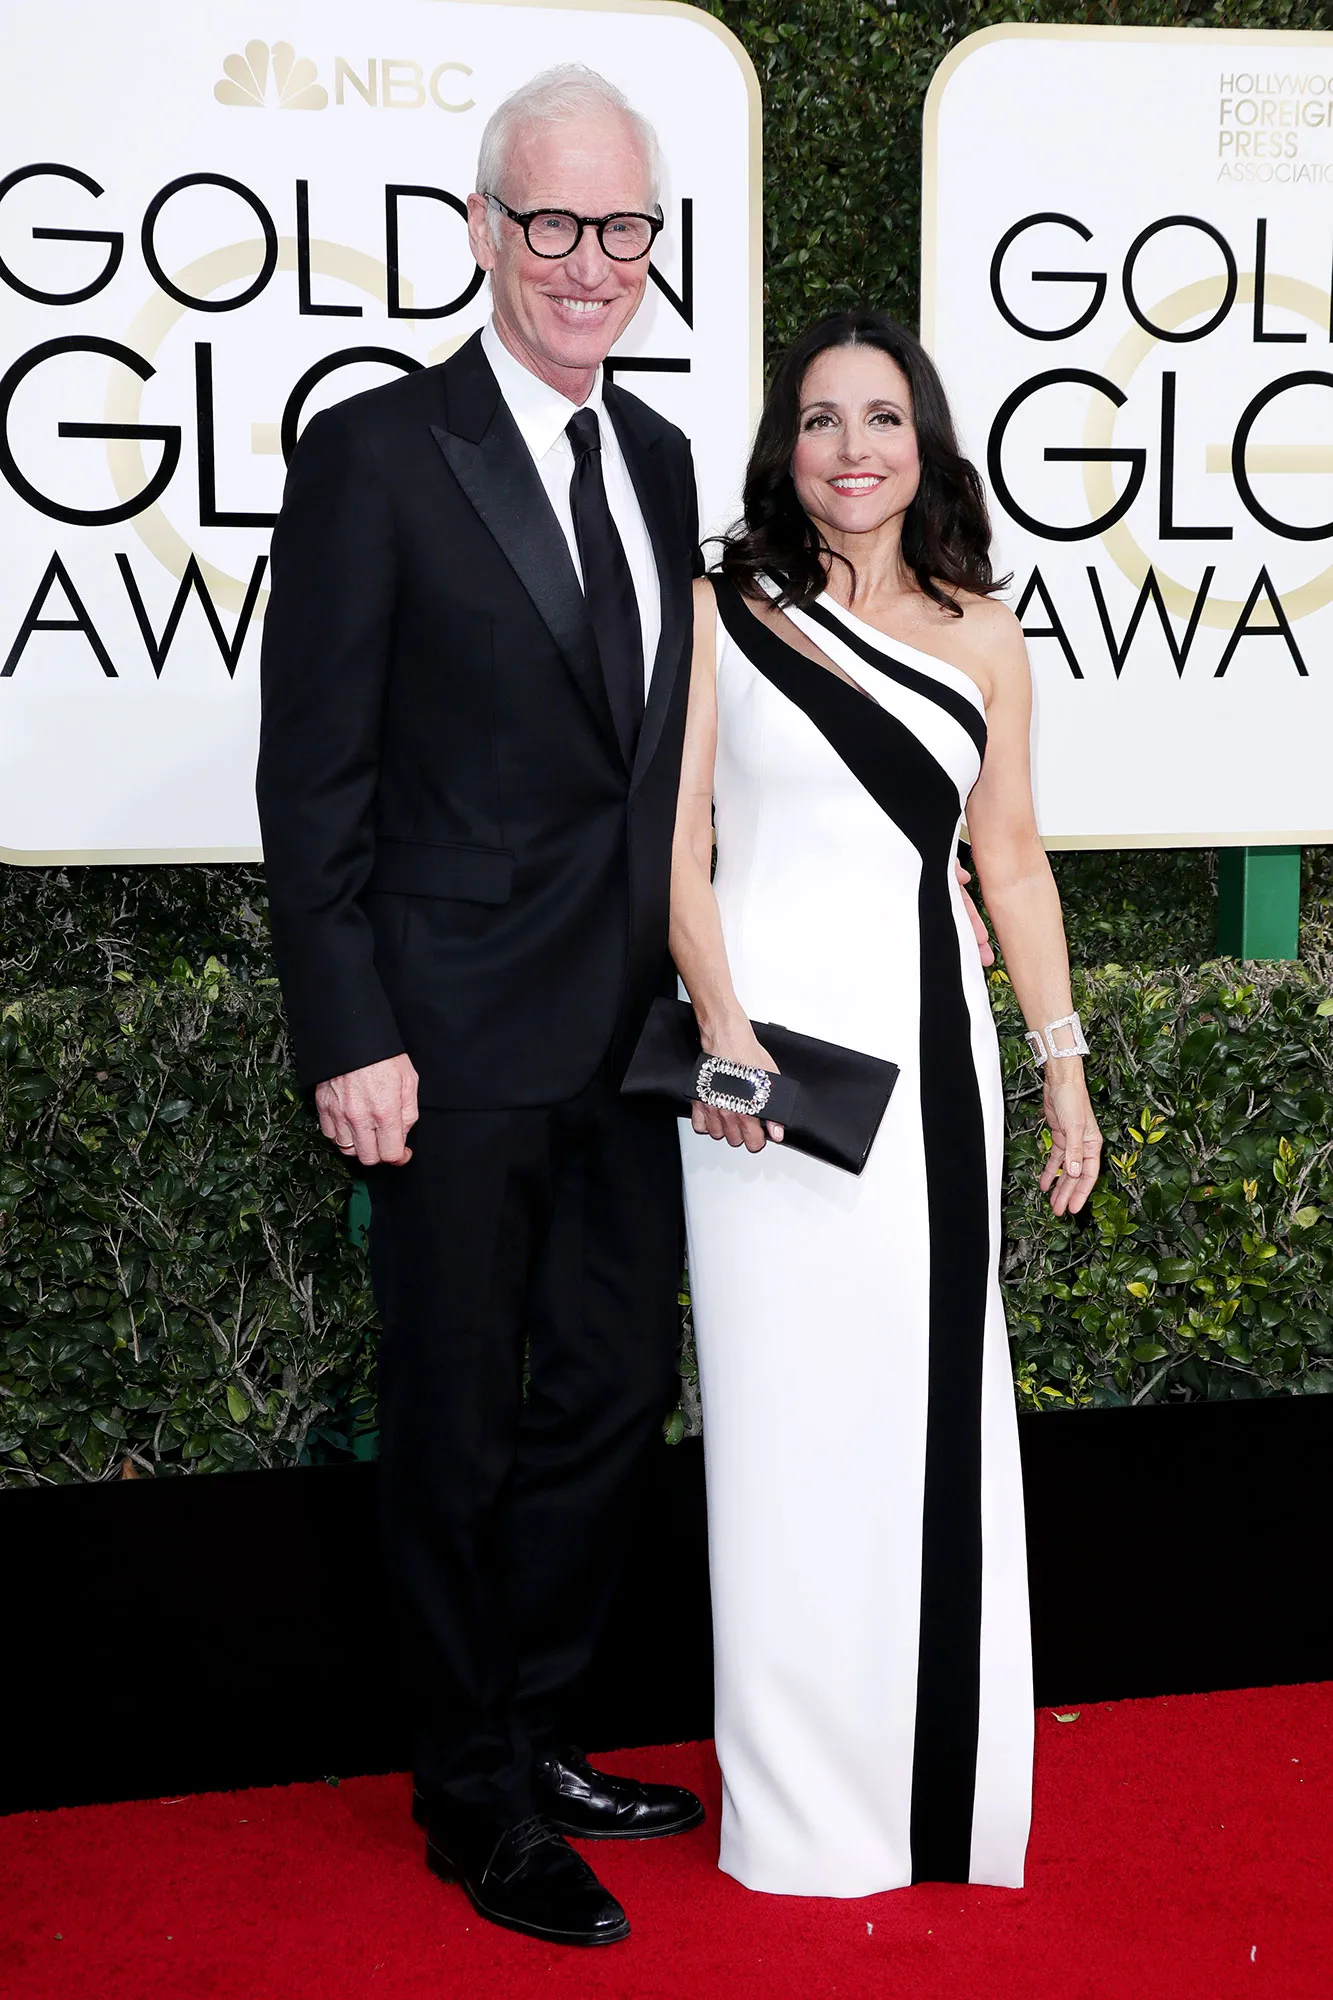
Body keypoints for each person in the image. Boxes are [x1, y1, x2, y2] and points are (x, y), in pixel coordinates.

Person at [256, 67, 706, 1949]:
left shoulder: (662, 457)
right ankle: (472, 1800)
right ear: (482, 231)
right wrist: (347, 1027)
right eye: (554, 223)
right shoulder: (377, 452)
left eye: (625, 228)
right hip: (440, 1042)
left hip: (629, 1041)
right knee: (453, 1423)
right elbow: (312, 780)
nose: (591, 263)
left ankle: (537, 1729)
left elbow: (658, 767)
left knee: (609, 1397)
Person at [670, 309, 1102, 1896]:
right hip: (758, 1077)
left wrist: (1062, 1060)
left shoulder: (985, 631)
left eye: (881, 418)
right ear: (784, 447)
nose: (851, 449)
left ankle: (939, 1803)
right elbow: (677, 839)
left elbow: (1013, 860)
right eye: (820, 419)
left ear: (925, 444)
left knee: (925, 1416)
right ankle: (793, 1815)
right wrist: (726, 1036)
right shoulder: (723, 609)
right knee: (779, 1433)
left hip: (930, 1068)